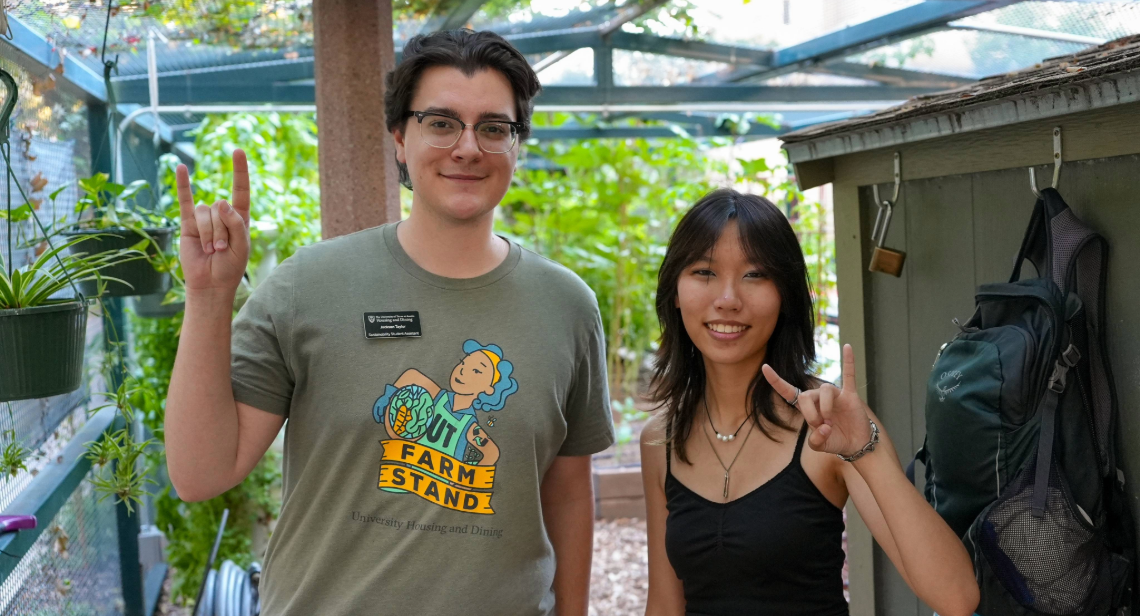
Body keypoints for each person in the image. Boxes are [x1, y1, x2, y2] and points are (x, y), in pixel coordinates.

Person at [164, 29, 615, 616]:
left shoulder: (566, 306)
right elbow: (199, 474)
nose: (468, 148)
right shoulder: (309, 287)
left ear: (516, 144)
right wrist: (207, 295)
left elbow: (567, 490)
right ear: (400, 138)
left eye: (494, 128)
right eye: (441, 122)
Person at [640, 189, 979, 616]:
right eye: (704, 272)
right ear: (674, 290)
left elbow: (957, 598)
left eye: (755, 275)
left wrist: (866, 452)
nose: (727, 298)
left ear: (785, 297)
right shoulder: (662, 440)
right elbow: (665, 605)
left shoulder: (829, 425)